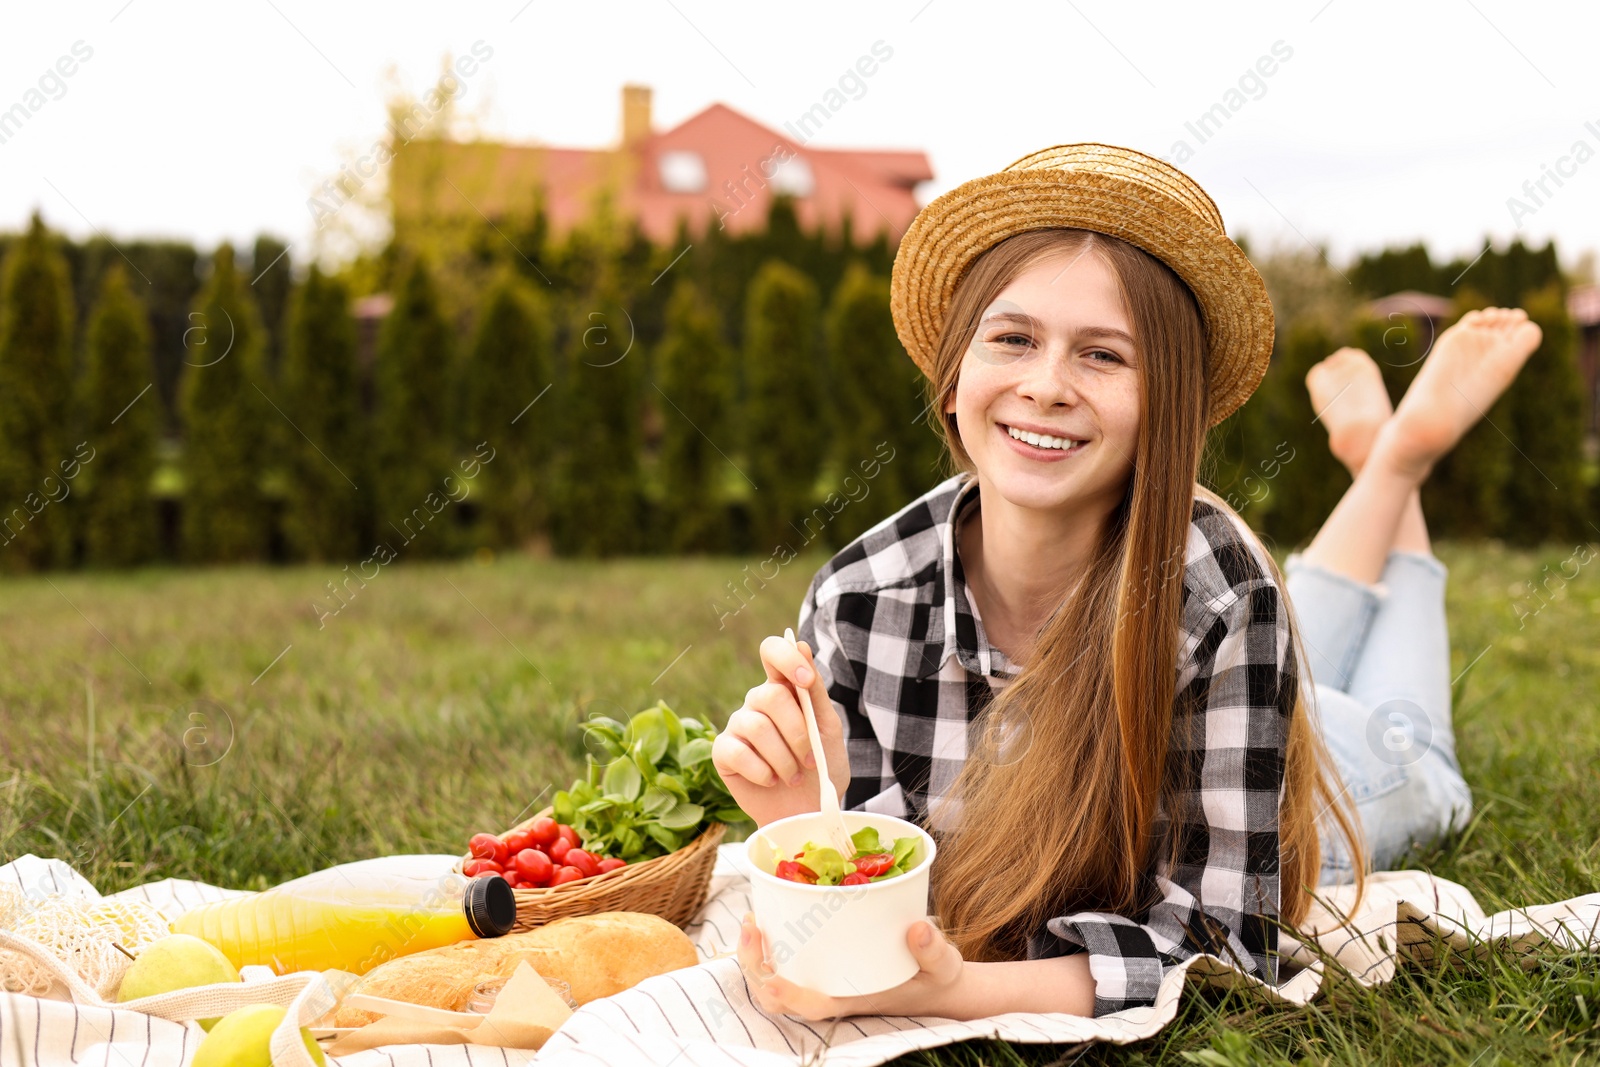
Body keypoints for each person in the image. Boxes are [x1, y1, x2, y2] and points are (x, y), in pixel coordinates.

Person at [709, 143, 1543, 1021]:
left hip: (1337, 782)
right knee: (1275, 618)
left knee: (1428, 772)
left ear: (1165, 406)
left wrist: (958, 992)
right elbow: (893, 901)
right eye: (1013, 338)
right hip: (1234, 659)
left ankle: (1398, 463)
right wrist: (803, 814)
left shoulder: (1221, 593)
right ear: (954, 378)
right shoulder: (859, 598)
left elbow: (1222, 941)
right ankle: (1382, 465)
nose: (1046, 385)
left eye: (1103, 356)